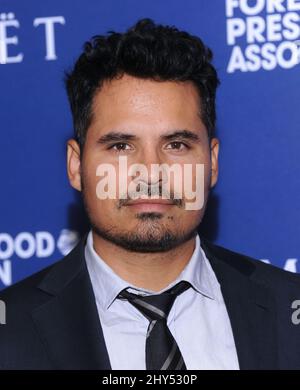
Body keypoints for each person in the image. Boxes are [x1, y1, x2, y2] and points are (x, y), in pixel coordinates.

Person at [1, 18, 300, 370]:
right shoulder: (10, 332)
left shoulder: (288, 307)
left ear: (212, 162)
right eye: (121, 146)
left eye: (176, 144)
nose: (150, 171)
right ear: (76, 165)